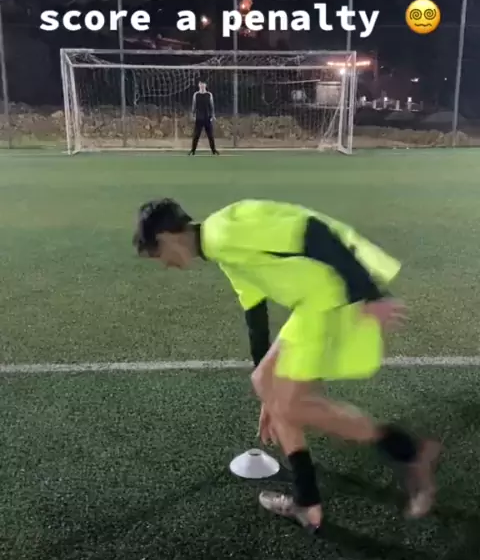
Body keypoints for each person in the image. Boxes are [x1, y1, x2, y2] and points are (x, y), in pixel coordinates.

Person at [133, 198, 441, 534]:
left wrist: (369, 295)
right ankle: (309, 503)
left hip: (332, 298)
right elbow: (255, 317)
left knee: (293, 405)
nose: (165, 264)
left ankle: (408, 451)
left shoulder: (225, 232)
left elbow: (313, 231)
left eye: (158, 254)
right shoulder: (220, 247)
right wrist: (267, 394)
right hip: (315, 303)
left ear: (167, 237)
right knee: (270, 388)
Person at [189, 81, 219, 155]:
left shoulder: (209, 94)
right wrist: (193, 115)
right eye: (200, 84)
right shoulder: (196, 94)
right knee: (196, 135)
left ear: (205, 85)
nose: (202, 85)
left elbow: (212, 106)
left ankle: (213, 150)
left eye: (203, 84)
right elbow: (193, 106)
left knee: (210, 135)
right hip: (199, 118)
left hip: (207, 118)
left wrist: (212, 116)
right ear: (199, 85)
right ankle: (193, 150)